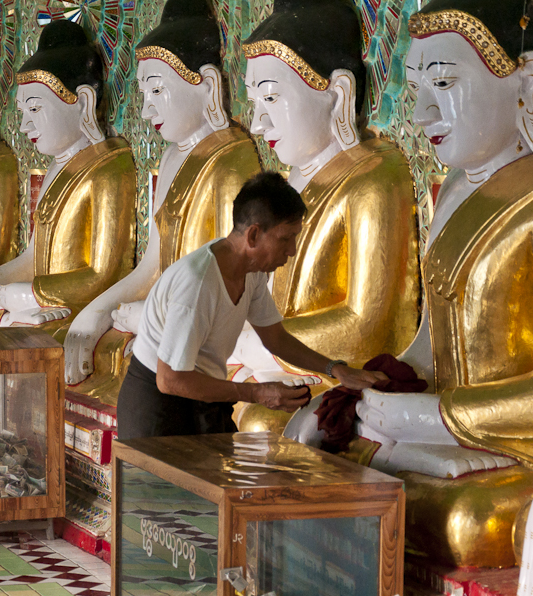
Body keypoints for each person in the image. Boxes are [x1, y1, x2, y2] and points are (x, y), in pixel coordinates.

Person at [116, 171, 385, 439]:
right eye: (285, 238)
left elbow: (276, 339)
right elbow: (170, 380)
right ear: (254, 235)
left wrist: (336, 370)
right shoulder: (198, 284)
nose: (291, 250)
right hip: (156, 407)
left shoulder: (252, 272)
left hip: (201, 397)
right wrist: (257, 393)